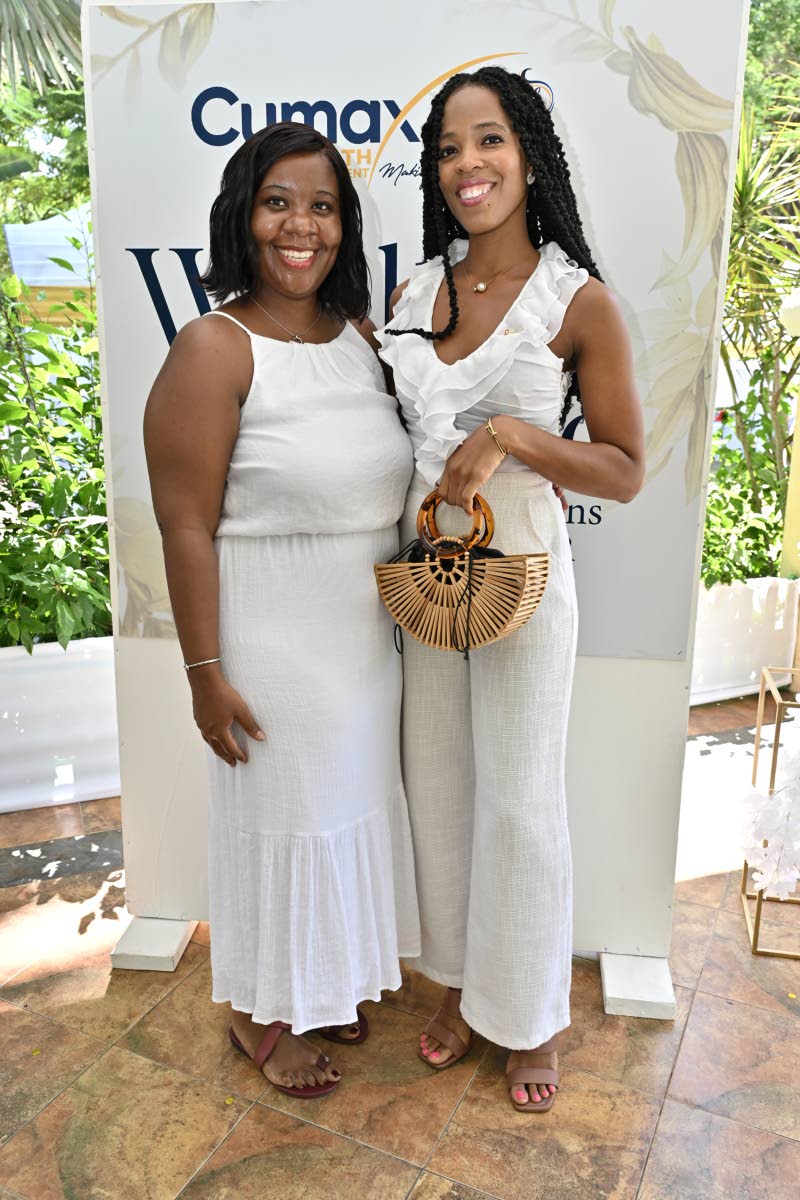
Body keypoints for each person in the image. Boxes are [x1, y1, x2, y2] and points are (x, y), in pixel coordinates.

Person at [376, 66, 644, 1113]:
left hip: (524, 570)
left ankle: (526, 1015)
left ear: (527, 153)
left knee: (520, 802)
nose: (465, 166)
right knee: (437, 791)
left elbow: (622, 468)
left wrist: (511, 436)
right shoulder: (412, 291)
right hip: (427, 573)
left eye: (487, 141)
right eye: (446, 149)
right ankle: (454, 988)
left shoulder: (575, 300)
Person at [144, 122, 420, 1098]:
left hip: (361, 641)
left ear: (342, 225)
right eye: (277, 203)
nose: (299, 226)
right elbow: (183, 528)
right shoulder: (212, 348)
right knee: (284, 822)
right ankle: (257, 1017)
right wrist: (202, 675)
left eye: (321, 205)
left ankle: (326, 979)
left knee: (343, 811)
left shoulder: (360, 340)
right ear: (241, 217)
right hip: (270, 640)